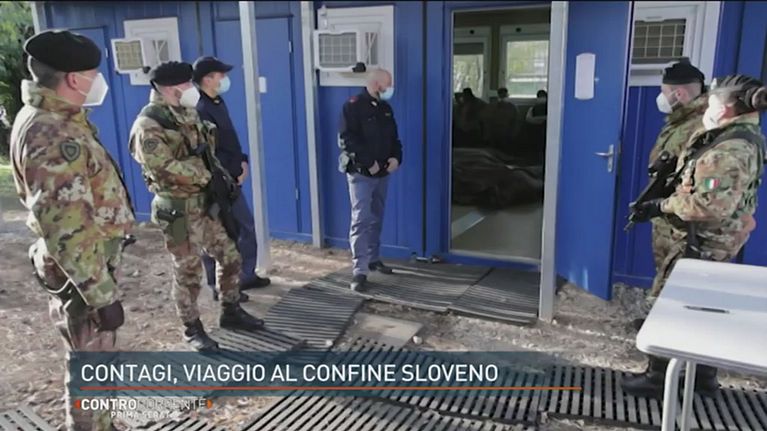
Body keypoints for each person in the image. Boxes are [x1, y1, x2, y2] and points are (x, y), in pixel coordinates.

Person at [10, 30, 135, 430]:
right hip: (83, 274)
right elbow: (66, 226)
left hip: (85, 267)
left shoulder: (54, 118)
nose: (99, 82)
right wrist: (101, 296)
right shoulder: (52, 133)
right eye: (93, 74)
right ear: (73, 79)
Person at [624, 74, 767, 398]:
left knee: (670, 303)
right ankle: (703, 377)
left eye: (713, 100)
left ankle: (658, 378)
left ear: (726, 107)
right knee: (703, 306)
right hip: (712, 238)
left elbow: (708, 205)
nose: (707, 106)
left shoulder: (728, 149)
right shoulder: (737, 135)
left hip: (702, 240)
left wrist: (662, 205)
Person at [129, 61, 264, 352]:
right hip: (177, 209)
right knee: (188, 271)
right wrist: (205, 176)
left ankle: (231, 311)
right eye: (186, 84)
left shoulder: (187, 113)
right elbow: (162, 167)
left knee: (230, 256)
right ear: (169, 89)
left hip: (206, 203)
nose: (192, 88)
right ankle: (192, 328)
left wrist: (221, 179)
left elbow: (206, 154)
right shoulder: (148, 124)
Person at [193, 56, 270, 302]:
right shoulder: (200, 109)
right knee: (217, 234)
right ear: (207, 79)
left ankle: (245, 276)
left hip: (231, 178)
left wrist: (242, 161)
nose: (225, 79)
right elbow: (210, 151)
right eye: (221, 75)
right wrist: (233, 169)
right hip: (217, 182)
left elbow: (229, 139)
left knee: (244, 227)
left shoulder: (217, 102)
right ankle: (219, 286)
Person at [645, 59, 708, 303]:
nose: (662, 98)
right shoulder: (682, 119)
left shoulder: (700, 125)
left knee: (676, 282)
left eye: (664, 92)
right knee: (665, 274)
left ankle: (665, 319)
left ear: (678, 94)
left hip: (682, 220)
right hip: (668, 212)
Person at [338, 69, 402, 291]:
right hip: (362, 174)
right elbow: (346, 140)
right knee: (361, 220)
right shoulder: (353, 106)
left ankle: (373, 259)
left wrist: (396, 158)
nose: (390, 88)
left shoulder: (385, 108)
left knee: (376, 218)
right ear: (376, 84)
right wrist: (369, 163)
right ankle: (360, 271)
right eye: (388, 84)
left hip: (382, 173)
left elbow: (394, 139)